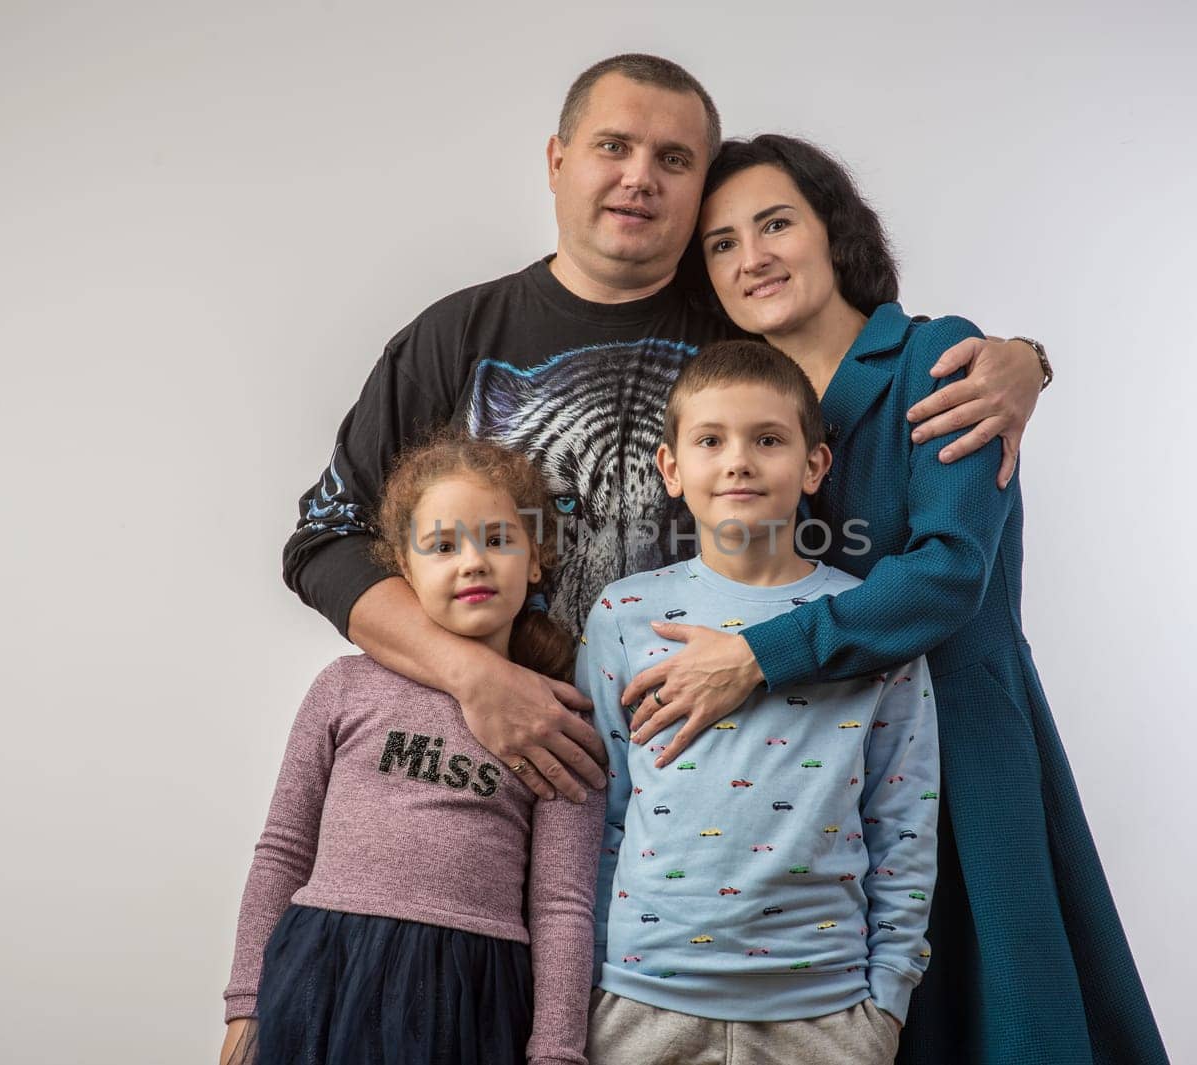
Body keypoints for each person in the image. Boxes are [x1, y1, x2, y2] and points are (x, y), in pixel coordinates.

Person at [280, 54, 1051, 802]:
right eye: (613, 146)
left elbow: (870, 371)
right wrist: (471, 673)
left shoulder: (750, 335)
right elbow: (324, 540)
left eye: (675, 159)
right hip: (496, 778)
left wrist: (1022, 362)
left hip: (737, 782)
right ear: (557, 160)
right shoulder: (455, 338)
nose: (640, 177)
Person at [618, 134, 1168, 1063]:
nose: (750, 257)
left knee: (996, 1016)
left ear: (835, 231)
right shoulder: (746, 407)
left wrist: (755, 656)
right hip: (808, 786)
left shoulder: (939, 358)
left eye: (775, 223)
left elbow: (950, 571)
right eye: (719, 243)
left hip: (959, 746)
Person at [578, 339, 940, 1065]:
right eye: (711, 440)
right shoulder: (625, 614)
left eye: (767, 439)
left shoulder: (868, 623)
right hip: (639, 1002)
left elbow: (904, 824)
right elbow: (599, 810)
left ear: (814, 464)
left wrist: (887, 1003)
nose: (738, 460)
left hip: (826, 1013)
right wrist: (582, 985)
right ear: (672, 469)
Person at [221, 432, 605, 1065]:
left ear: (536, 558)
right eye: (444, 546)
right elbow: (283, 851)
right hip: (324, 975)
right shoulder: (344, 688)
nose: (473, 562)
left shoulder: (556, 722)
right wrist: (245, 1007)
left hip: (473, 995)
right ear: (404, 566)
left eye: (498, 540)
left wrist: (557, 1051)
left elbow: (564, 905)